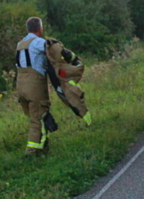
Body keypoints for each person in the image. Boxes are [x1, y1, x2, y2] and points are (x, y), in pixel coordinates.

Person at [15, 17, 57, 156]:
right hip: (34, 86)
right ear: (40, 28)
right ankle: (33, 152)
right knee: (39, 118)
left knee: (33, 118)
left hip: (20, 86)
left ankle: (42, 147)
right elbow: (53, 52)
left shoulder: (20, 44)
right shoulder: (39, 42)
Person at [45, 37, 92, 126]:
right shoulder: (52, 45)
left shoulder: (53, 47)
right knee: (71, 96)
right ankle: (86, 118)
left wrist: (75, 62)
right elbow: (70, 56)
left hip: (61, 77)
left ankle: (87, 120)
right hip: (59, 78)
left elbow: (69, 56)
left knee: (71, 97)